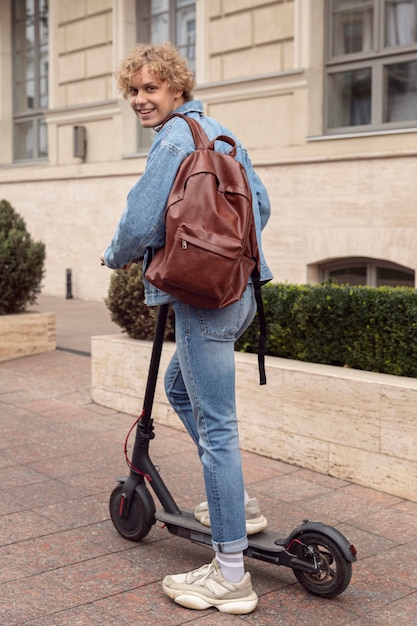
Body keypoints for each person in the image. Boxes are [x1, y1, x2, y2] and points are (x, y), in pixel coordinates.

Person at [101, 42, 273, 615]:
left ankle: (230, 575)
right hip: (241, 293)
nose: (140, 100)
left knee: (218, 432)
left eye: (151, 88)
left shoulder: (175, 138)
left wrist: (115, 253)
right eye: (133, 90)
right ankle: (239, 506)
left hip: (203, 301)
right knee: (179, 389)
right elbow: (262, 206)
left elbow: (140, 219)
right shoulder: (220, 132)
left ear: (177, 89)